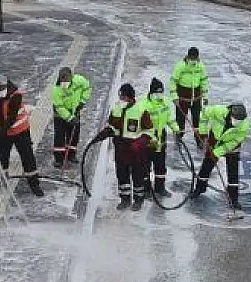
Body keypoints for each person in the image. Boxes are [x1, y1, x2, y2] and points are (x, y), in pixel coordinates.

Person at [95, 83, 154, 211]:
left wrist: (139, 143)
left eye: (123, 96)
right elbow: (112, 126)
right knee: (122, 175)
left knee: (138, 176)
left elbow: (149, 131)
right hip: (121, 148)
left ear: (130, 98)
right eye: (120, 96)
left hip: (136, 150)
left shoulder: (141, 111)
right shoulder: (116, 109)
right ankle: (125, 199)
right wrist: (107, 131)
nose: (121, 99)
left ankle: (138, 200)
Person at [0, 73, 44, 197]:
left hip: (19, 131)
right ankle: (1, 180)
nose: (0, 91)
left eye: (2, 88)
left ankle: (34, 184)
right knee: (1, 156)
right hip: (3, 131)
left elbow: (11, 118)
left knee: (27, 156)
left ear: (6, 86)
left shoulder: (15, 96)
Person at [190, 103, 250, 212]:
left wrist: (218, 152)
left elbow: (235, 141)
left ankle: (233, 199)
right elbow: (204, 115)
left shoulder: (244, 125)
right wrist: (203, 133)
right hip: (214, 140)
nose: (238, 122)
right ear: (231, 114)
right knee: (206, 167)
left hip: (231, 147)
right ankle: (199, 189)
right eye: (236, 119)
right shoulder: (218, 111)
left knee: (233, 173)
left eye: (240, 120)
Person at [142, 77, 180, 198]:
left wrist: (176, 128)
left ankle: (160, 188)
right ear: (151, 92)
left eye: (161, 92)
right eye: (157, 92)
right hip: (148, 137)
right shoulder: (144, 104)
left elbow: (169, 118)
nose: (159, 95)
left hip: (161, 136)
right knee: (145, 165)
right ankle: (146, 189)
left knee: (160, 165)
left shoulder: (165, 102)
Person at [51, 67, 90, 168]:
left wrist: (82, 102)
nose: (65, 82)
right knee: (59, 136)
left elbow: (87, 87)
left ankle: (71, 155)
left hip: (75, 111)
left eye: (67, 80)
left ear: (72, 77)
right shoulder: (57, 90)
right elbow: (59, 107)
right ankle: (59, 159)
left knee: (74, 134)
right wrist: (70, 118)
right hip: (60, 115)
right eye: (62, 80)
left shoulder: (79, 81)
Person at [170, 47, 209, 142]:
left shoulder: (201, 66)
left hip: (196, 98)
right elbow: (173, 81)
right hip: (182, 98)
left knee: (197, 120)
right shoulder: (180, 66)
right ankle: (179, 136)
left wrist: (205, 96)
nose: (193, 60)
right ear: (188, 56)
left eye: (195, 58)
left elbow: (204, 81)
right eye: (191, 58)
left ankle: (199, 139)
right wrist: (174, 97)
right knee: (180, 119)